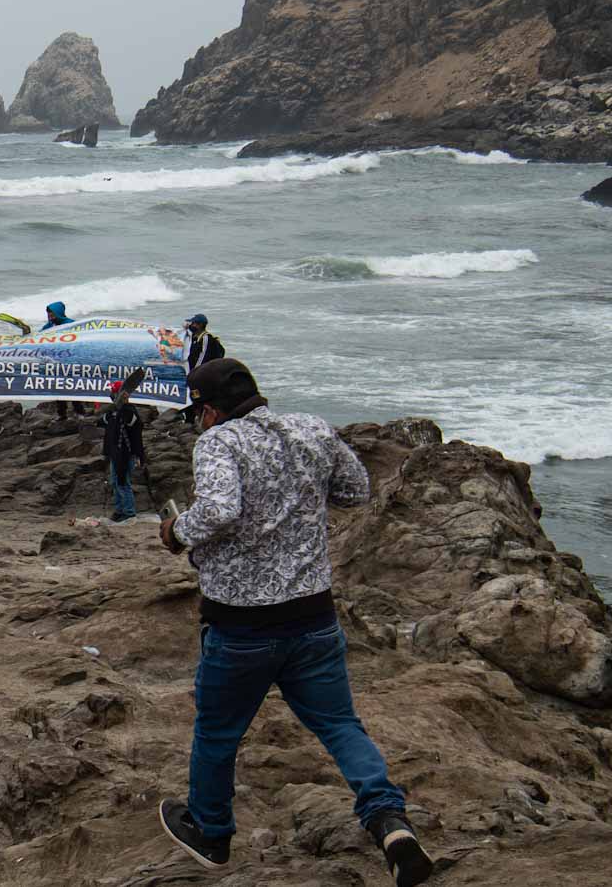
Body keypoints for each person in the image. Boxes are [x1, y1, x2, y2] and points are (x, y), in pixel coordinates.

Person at [155, 359, 432, 886]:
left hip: (241, 626)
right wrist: (293, 502)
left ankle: (211, 834)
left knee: (217, 734)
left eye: (198, 413)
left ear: (209, 409)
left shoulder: (219, 442)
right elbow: (355, 490)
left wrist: (175, 530)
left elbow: (218, 511)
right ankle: (389, 821)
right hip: (312, 617)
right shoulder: (310, 427)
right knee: (339, 724)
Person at [99, 381, 144, 522]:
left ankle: (129, 512)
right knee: (115, 482)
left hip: (126, 453)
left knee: (123, 482)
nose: (111, 394)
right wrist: (114, 408)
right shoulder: (113, 411)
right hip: (115, 453)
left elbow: (133, 425)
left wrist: (122, 406)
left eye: (114, 392)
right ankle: (119, 510)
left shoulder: (130, 411)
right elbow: (102, 421)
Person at [41, 302, 76, 421]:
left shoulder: (71, 324)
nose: (50, 315)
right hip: (55, 362)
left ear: (58, 312)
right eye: (48, 313)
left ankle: (79, 412)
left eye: (52, 312)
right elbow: (37, 337)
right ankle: (62, 414)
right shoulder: (49, 326)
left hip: (70, 361)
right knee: (58, 388)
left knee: (73, 387)